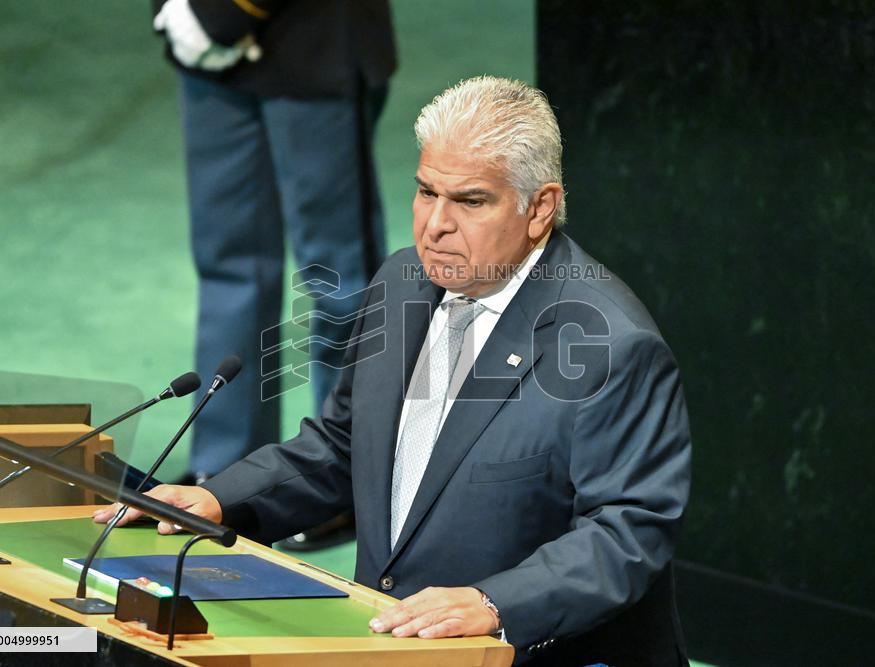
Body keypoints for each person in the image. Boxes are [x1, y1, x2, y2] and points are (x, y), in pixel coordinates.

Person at [98, 76, 692, 666]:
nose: (435, 224)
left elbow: (627, 532)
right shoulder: (403, 283)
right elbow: (344, 446)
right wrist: (218, 500)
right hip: (382, 643)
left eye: (470, 201)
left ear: (540, 208)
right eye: (426, 191)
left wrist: (496, 603)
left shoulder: (608, 345)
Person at [150, 0, 395, 483]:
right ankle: (226, 469)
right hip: (207, 51)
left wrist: (219, 13)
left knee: (339, 282)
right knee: (229, 268)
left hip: (313, 41)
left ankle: (344, 474)